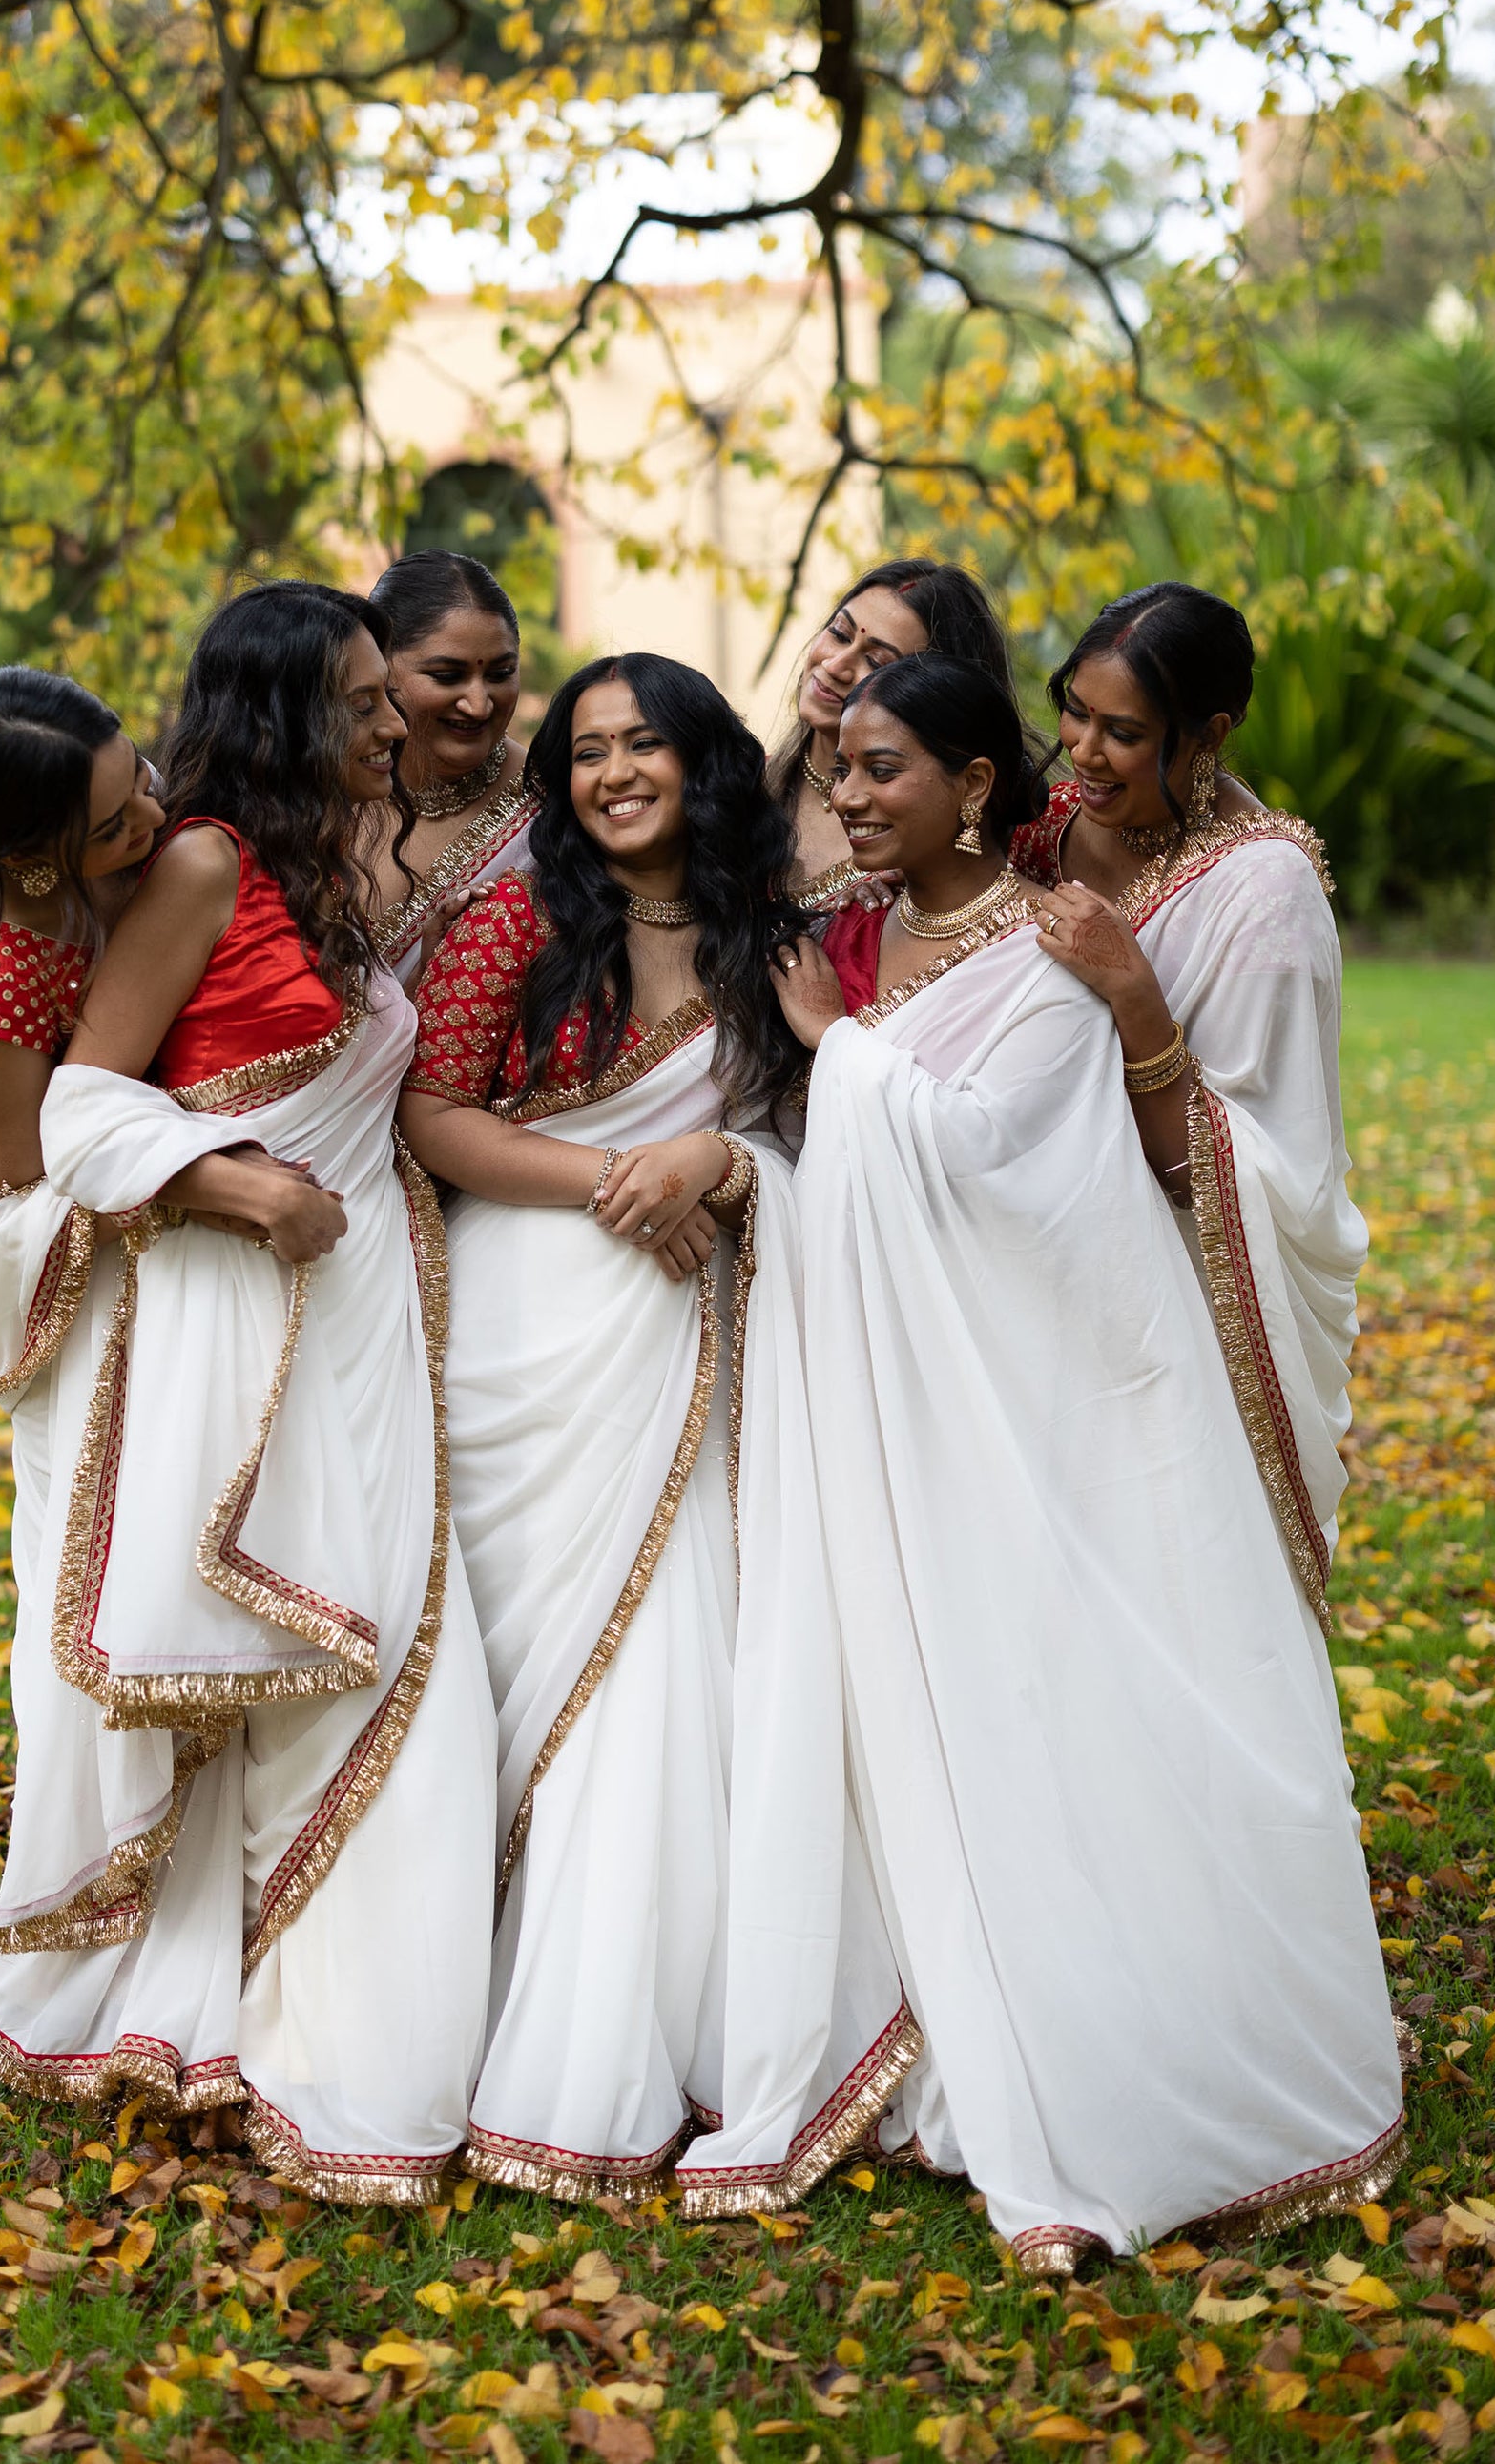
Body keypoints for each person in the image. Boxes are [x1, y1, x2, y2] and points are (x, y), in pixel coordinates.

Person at [773, 652, 1403, 2269]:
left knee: (1071, 1693)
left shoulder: (1051, 950)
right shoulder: (882, 930)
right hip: (892, 1399)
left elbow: (1018, 1170)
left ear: (973, 787)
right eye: (835, 763)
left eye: (882, 764)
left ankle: (1129, 2047)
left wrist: (840, 1057)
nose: (846, 792)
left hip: (1041, 1397)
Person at [0, 584, 495, 2200]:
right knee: (306, 1662)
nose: (392, 719)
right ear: (276, 715)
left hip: (368, 1312)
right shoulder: (199, 867)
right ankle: (222, 2006)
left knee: (391, 1647)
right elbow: (73, 1125)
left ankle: (340, 2003)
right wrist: (246, 1187)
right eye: (359, 700)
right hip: (245, 1309)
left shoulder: (333, 856)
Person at [399, 654, 913, 2205]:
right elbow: (434, 1112)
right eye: (586, 749)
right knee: (521, 1678)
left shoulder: (777, 935)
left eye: (643, 744)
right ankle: (464, 2014)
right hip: (532, 1331)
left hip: (700, 1335)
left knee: (672, 1671)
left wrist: (717, 1163)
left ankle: (660, 2017)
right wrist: (621, 1182)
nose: (613, 771)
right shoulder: (518, 917)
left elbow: (810, 1125)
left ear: (703, 757)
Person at [1012, 582, 1366, 1631]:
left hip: (1168, 1307)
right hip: (1022, 1266)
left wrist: (1132, 996)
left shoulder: (1263, 899)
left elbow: (1243, 1181)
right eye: (1072, 710)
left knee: (1161, 1598)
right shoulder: (1047, 823)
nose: (1079, 750)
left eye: (1123, 732)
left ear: (1209, 732)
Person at [768, 557, 1016, 913]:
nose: (835, 665)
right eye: (839, 633)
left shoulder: (945, 852)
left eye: (877, 662)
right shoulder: (735, 786)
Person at [364, 549, 536, 988]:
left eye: (501, 673)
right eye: (446, 675)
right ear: (378, 668)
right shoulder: (316, 795)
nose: (478, 704)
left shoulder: (550, 798)